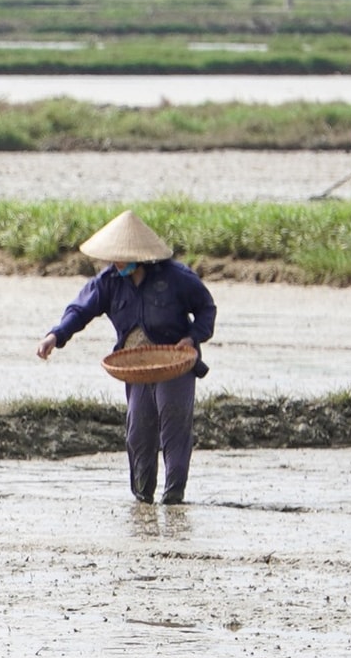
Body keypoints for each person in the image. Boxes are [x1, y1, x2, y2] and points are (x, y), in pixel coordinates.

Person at [35, 210, 217, 506]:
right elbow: (80, 310)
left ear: (140, 257)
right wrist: (56, 336)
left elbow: (206, 308)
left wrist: (193, 337)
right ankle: (142, 497)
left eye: (120, 257)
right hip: (135, 366)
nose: (115, 263)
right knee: (138, 431)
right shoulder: (109, 281)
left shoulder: (176, 278)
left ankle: (173, 496)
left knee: (174, 430)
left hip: (174, 362)